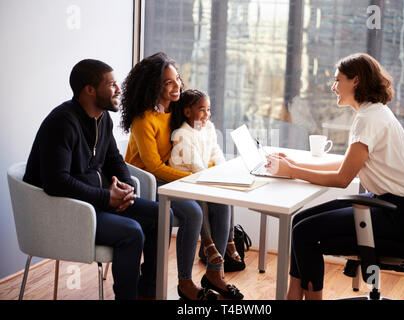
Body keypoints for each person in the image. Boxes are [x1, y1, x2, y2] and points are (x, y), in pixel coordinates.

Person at [265, 53, 404, 300]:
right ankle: (294, 293)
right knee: (299, 222)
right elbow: (350, 163)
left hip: (397, 215)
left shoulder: (368, 118)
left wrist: (292, 172)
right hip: (395, 206)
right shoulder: (373, 113)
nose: (333, 86)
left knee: (305, 231)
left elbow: (342, 178)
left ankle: (308, 296)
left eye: (338, 80)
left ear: (356, 81)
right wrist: (293, 163)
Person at [23, 59, 167, 300]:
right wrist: (106, 197)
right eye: (111, 84)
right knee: (131, 232)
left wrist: (127, 188)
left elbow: (115, 160)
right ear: (90, 89)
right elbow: (56, 182)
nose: (119, 90)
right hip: (64, 212)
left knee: (163, 215)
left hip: (94, 202)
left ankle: (148, 291)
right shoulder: (62, 122)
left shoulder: (103, 119)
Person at [120, 52, 243, 300]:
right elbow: (153, 166)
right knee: (194, 212)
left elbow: (197, 137)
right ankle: (185, 283)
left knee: (221, 200)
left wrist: (212, 170)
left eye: (177, 79)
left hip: (173, 176)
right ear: (154, 85)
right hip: (146, 182)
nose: (177, 86)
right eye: (168, 82)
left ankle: (215, 273)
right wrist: (192, 181)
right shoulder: (143, 119)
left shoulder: (176, 109)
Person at [168, 89, 244, 268]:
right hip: (186, 181)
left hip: (201, 177)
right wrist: (213, 180)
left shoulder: (208, 128)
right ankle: (208, 243)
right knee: (200, 200)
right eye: (202, 110)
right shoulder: (182, 134)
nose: (207, 115)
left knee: (227, 196)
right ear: (188, 112)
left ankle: (229, 240)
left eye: (208, 110)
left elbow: (215, 152)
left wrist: (223, 172)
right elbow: (196, 165)